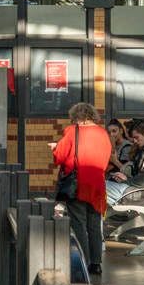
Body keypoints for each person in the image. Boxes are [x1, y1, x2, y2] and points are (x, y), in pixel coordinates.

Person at [50, 102, 113, 275]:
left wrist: (55, 148)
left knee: (79, 224)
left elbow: (60, 157)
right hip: (97, 185)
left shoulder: (72, 131)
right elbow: (106, 158)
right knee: (94, 226)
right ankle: (96, 263)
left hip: (77, 185)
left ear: (76, 117)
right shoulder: (103, 133)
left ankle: (83, 262)